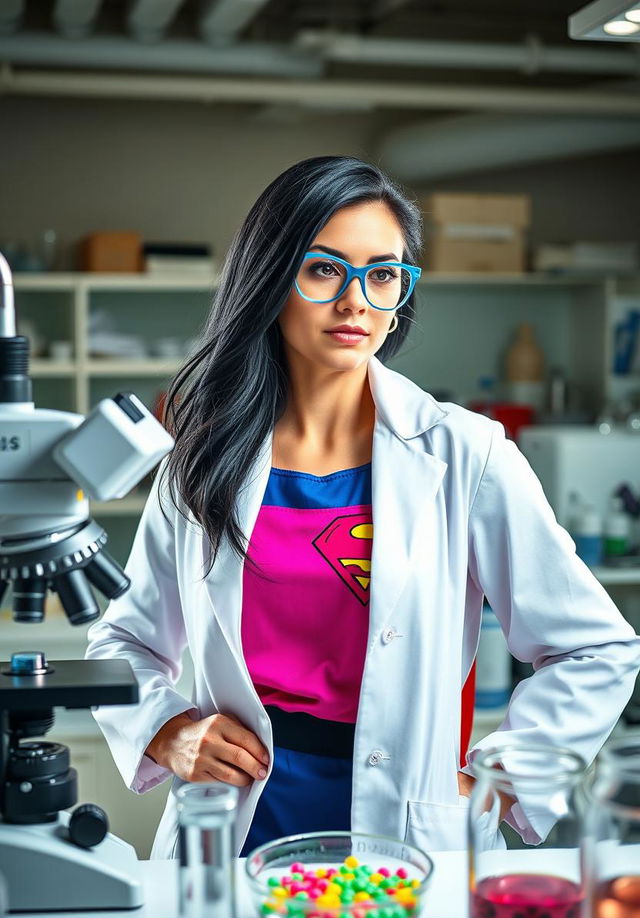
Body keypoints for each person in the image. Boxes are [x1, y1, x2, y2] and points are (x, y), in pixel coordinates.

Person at [85, 156, 640, 860]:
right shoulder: (202, 460)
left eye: (382, 274)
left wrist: (504, 779)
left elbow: (596, 646)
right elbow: (123, 642)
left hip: (407, 832)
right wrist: (167, 728)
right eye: (324, 270)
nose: (357, 302)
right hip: (242, 824)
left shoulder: (465, 455)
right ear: (271, 278)